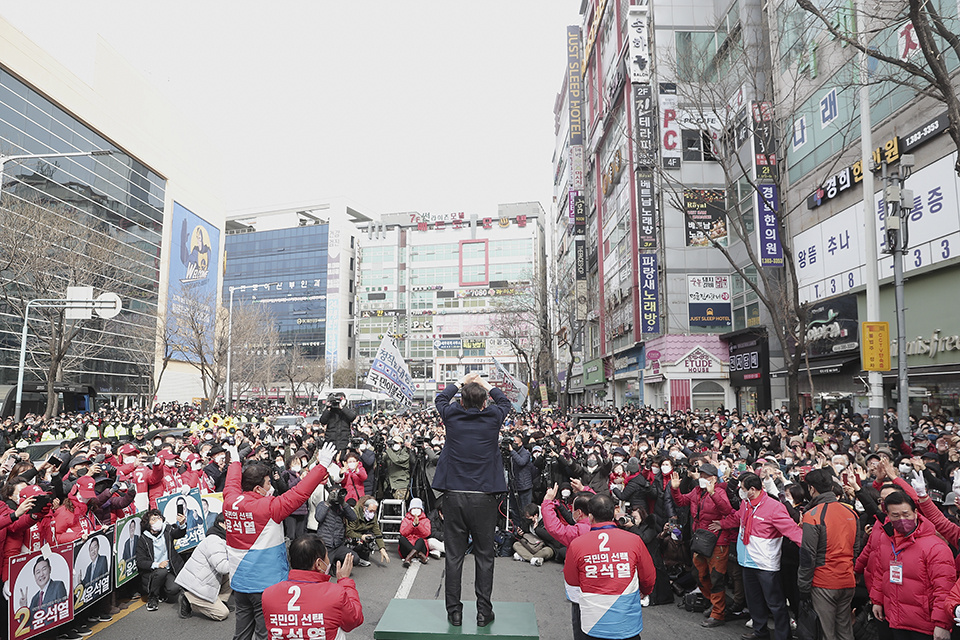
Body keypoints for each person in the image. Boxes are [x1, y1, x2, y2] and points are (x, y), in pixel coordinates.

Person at [224, 441, 337, 640]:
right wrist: (322, 467)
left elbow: (232, 482)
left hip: (239, 582)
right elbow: (299, 493)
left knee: (240, 634)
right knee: (264, 634)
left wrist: (235, 462)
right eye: (268, 483)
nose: (271, 486)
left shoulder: (230, 500)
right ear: (258, 488)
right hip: (265, 583)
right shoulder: (270, 507)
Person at [433, 372, 512, 628]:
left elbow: (441, 398)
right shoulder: (492, 417)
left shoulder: (452, 415)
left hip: (453, 495)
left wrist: (462, 381)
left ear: (462, 402)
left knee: (454, 556)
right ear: (484, 403)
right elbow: (505, 403)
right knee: (484, 557)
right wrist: (486, 384)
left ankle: (454, 612)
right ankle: (482, 612)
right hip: (484, 497)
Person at [712, 472, 801, 640]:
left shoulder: (774, 507)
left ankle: (784, 636)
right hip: (747, 561)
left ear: (752, 489)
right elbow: (737, 518)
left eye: (742, 489)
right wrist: (722, 524)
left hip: (765, 564)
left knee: (775, 603)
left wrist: (810, 548)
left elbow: (792, 531)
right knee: (754, 601)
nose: (740, 491)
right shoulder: (746, 504)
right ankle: (760, 632)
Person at [564, 494, 656, 640]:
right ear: (614, 513)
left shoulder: (577, 544)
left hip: (592, 623)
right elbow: (649, 577)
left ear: (591, 517)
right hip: (627, 622)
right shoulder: (634, 540)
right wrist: (644, 592)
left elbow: (572, 580)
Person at [867, 491, 954, 640]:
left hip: (924, 624)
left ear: (915, 513)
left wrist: (942, 624)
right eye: (895, 515)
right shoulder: (886, 539)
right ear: (887, 515)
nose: (901, 519)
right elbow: (880, 572)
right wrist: (877, 600)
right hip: (894, 618)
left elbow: (944, 588)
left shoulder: (935, 546)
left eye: (906, 514)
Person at [798, 468, 861, 640]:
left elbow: (808, 555)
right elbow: (856, 549)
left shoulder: (813, 515)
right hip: (847, 579)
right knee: (844, 630)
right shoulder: (851, 513)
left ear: (812, 488)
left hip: (824, 581)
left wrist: (803, 586)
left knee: (826, 632)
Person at [261, 534, 363, 639]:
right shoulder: (336, 593)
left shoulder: (268, 594)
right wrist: (345, 581)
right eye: (327, 556)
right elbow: (353, 620)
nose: (328, 561)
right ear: (318, 564)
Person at [671, 462, 733, 627]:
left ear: (713, 478)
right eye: (701, 475)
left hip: (717, 541)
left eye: (705, 476)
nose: (702, 478)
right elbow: (681, 501)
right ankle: (715, 603)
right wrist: (675, 489)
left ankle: (718, 614)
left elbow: (727, 510)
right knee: (699, 574)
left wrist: (713, 494)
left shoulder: (719, 491)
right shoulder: (696, 491)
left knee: (717, 577)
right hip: (700, 540)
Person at [175, 514, 232, 621]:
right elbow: (222, 567)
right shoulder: (215, 540)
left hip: (205, 581)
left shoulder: (221, 538)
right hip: (196, 586)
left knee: (232, 575)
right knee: (222, 614)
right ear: (222, 524)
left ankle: (221, 601)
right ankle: (188, 599)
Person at [136, 508, 187, 611]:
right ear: (148, 523)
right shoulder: (143, 539)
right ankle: (153, 597)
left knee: (174, 588)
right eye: (153, 519)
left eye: (159, 518)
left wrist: (182, 524)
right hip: (153, 572)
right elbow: (140, 562)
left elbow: (178, 533)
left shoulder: (167, 530)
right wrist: (157, 564)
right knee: (161, 572)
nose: (157, 521)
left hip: (168, 569)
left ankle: (162, 592)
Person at [398, 497, 431, 567]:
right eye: (414, 508)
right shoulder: (406, 520)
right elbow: (403, 532)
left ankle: (409, 558)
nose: (416, 510)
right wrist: (412, 525)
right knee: (402, 539)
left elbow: (427, 533)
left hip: (420, 547)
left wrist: (418, 525)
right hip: (408, 546)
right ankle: (419, 555)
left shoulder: (426, 520)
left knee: (421, 540)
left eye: (418, 508)